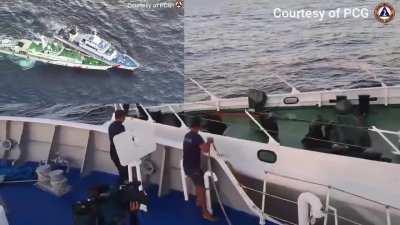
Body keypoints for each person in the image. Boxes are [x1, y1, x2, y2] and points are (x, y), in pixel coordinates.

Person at [183, 117, 217, 221]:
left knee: (197, 185)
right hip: (194, 168)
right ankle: (205, 212)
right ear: (198, 127)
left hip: (186, 166)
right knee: (201, 188)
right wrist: (209, 142)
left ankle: (198, 201)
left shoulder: (187, 135)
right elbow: (205, 150)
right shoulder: (197, 137)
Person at [108, 110, 128, 182]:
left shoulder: (111, 126)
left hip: (113, 153)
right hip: (119, 155)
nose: (125, 118)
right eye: (124, 117)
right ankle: (125, 186)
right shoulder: (121, 127)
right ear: (121, 117)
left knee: (121, 171)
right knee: (125, 173)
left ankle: (122, 182)